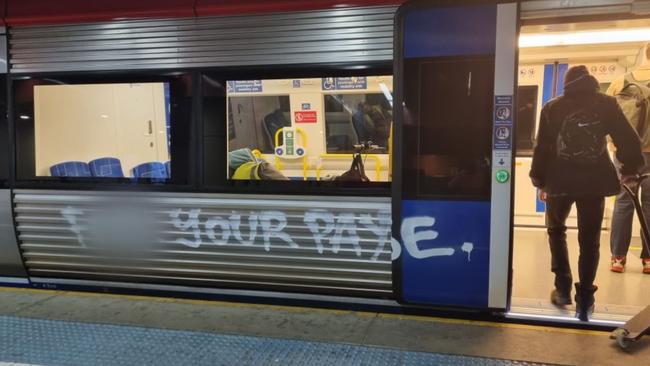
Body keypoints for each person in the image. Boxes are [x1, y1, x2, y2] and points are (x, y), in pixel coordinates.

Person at [530, 65, 644, 321]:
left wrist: (539, 180)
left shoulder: (553, 107)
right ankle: (585, 300)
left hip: (559, 181)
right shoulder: (607, 104)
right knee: (589, 239)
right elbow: (629, 139)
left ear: (567, 85)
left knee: (556, 230)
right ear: (591, 82)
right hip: (594, 182)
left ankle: (562, 289)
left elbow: (543, 148)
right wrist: (630, 169)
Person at [606, 46, 650, 274]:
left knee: (623, 201)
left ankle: (618, 258)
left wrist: (613, 144)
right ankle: (648, 259)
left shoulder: (619, 82)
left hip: (624, 152)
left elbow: (607, 117)